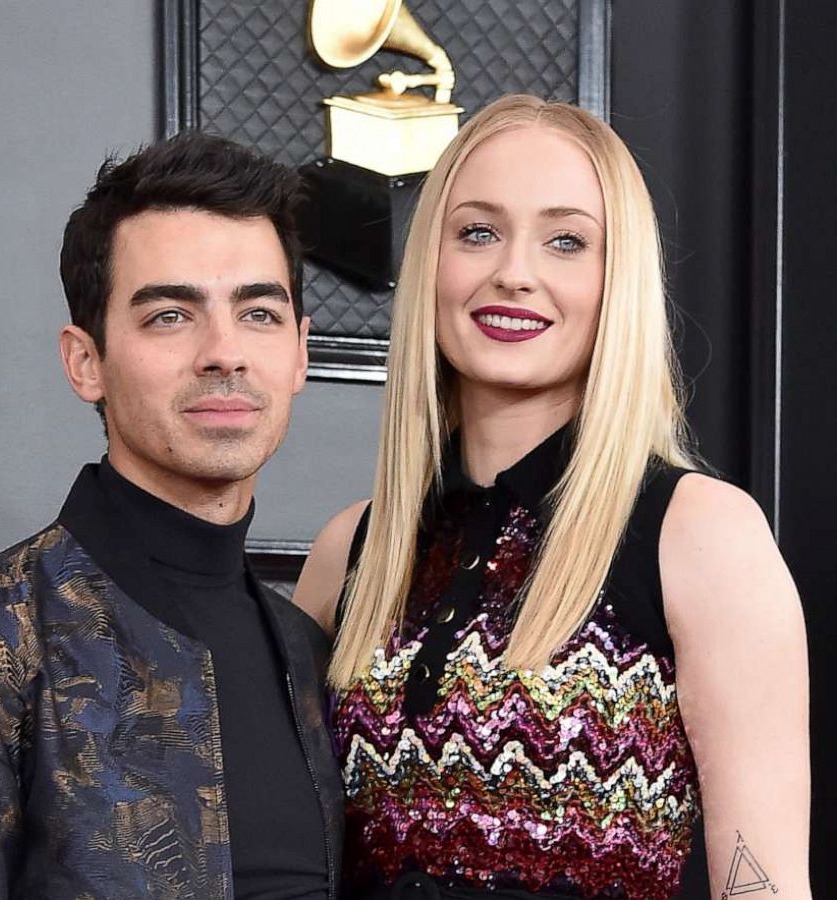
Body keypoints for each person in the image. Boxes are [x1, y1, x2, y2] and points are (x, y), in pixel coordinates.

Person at [293, 95, 811, 900]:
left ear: (618, 282)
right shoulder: (348, 550)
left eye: (566, 241)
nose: (515, 272)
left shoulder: (700, 533)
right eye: (477, 232)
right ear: (430, 260)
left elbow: (765, 888)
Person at [0, 132, 341, 899]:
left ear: (300, 354)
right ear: (86, 361)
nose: (224, 352)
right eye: (171, 315)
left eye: (259, 314)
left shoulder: (309, 653)